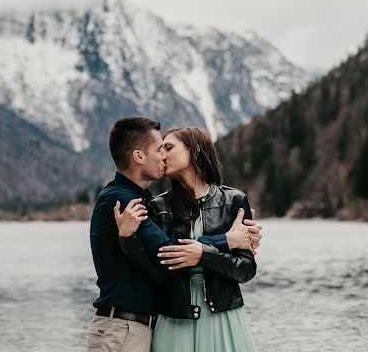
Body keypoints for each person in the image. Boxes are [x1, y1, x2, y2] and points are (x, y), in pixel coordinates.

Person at [87, 117, 261, 352]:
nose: (163, 155)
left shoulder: (232, 201)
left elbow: (246, 269)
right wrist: (227, 241)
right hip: (165, 321)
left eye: (168, 148)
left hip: (220, 317)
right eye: (160, 149)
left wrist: (208, 252)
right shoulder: (150, 205)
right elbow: (165, 262)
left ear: (195, 150)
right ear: (138, 156)